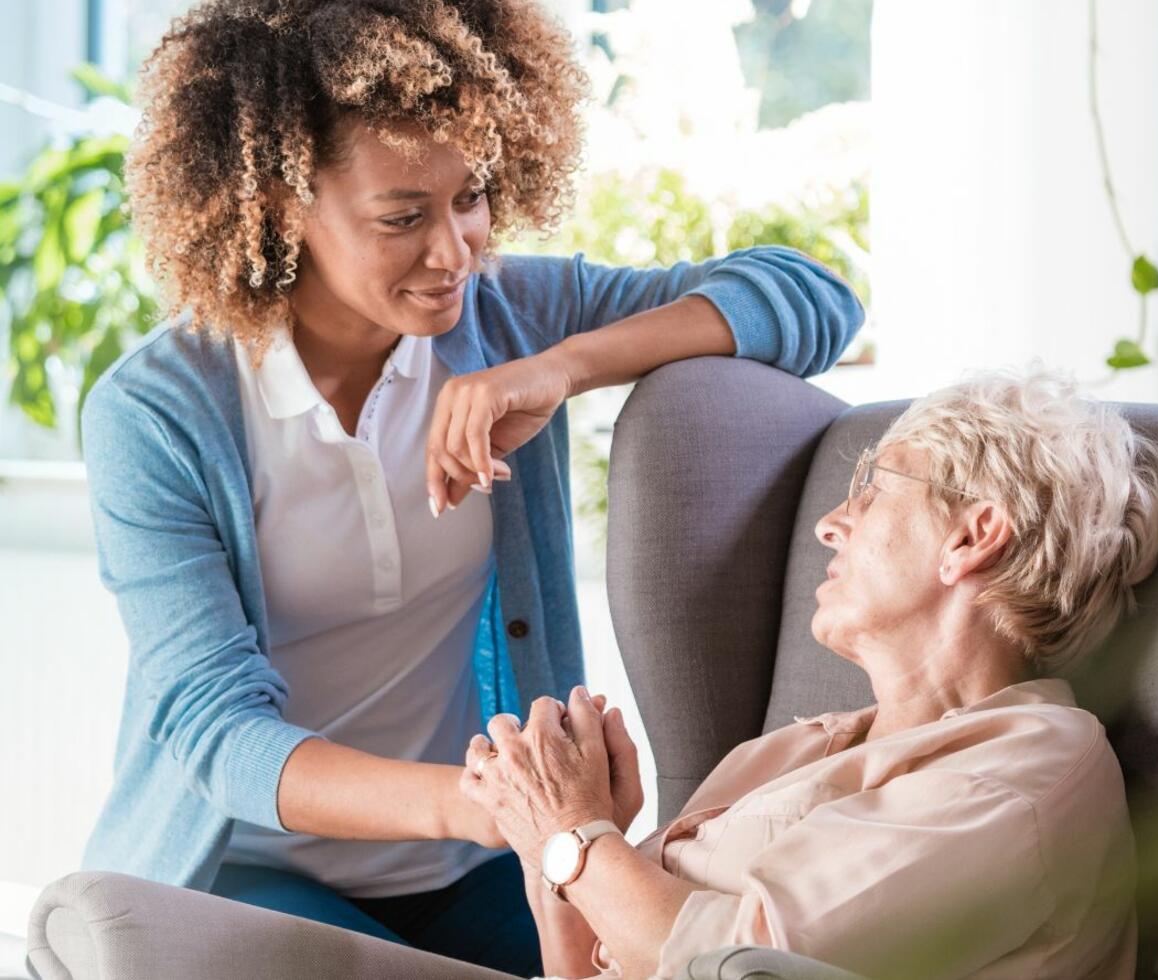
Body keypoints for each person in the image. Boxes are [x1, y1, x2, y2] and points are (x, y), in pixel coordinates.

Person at [78, 0, 865, 975]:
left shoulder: (506, 320)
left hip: (468, 860)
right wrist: (486, 800)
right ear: (281, 203)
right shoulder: (158, 413)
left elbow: (812, 298)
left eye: (474, 196)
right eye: (402, 216)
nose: (454, 251)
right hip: (247, 862)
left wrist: (566, 365)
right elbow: (215, 726)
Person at [463, 367, 1158, 980]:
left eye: (875, 489)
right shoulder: (790, 750)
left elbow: (735, 968)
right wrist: (547, 836)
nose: (831, 523)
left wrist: (572, 832)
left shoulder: (1024, 773)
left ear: (971, 536)